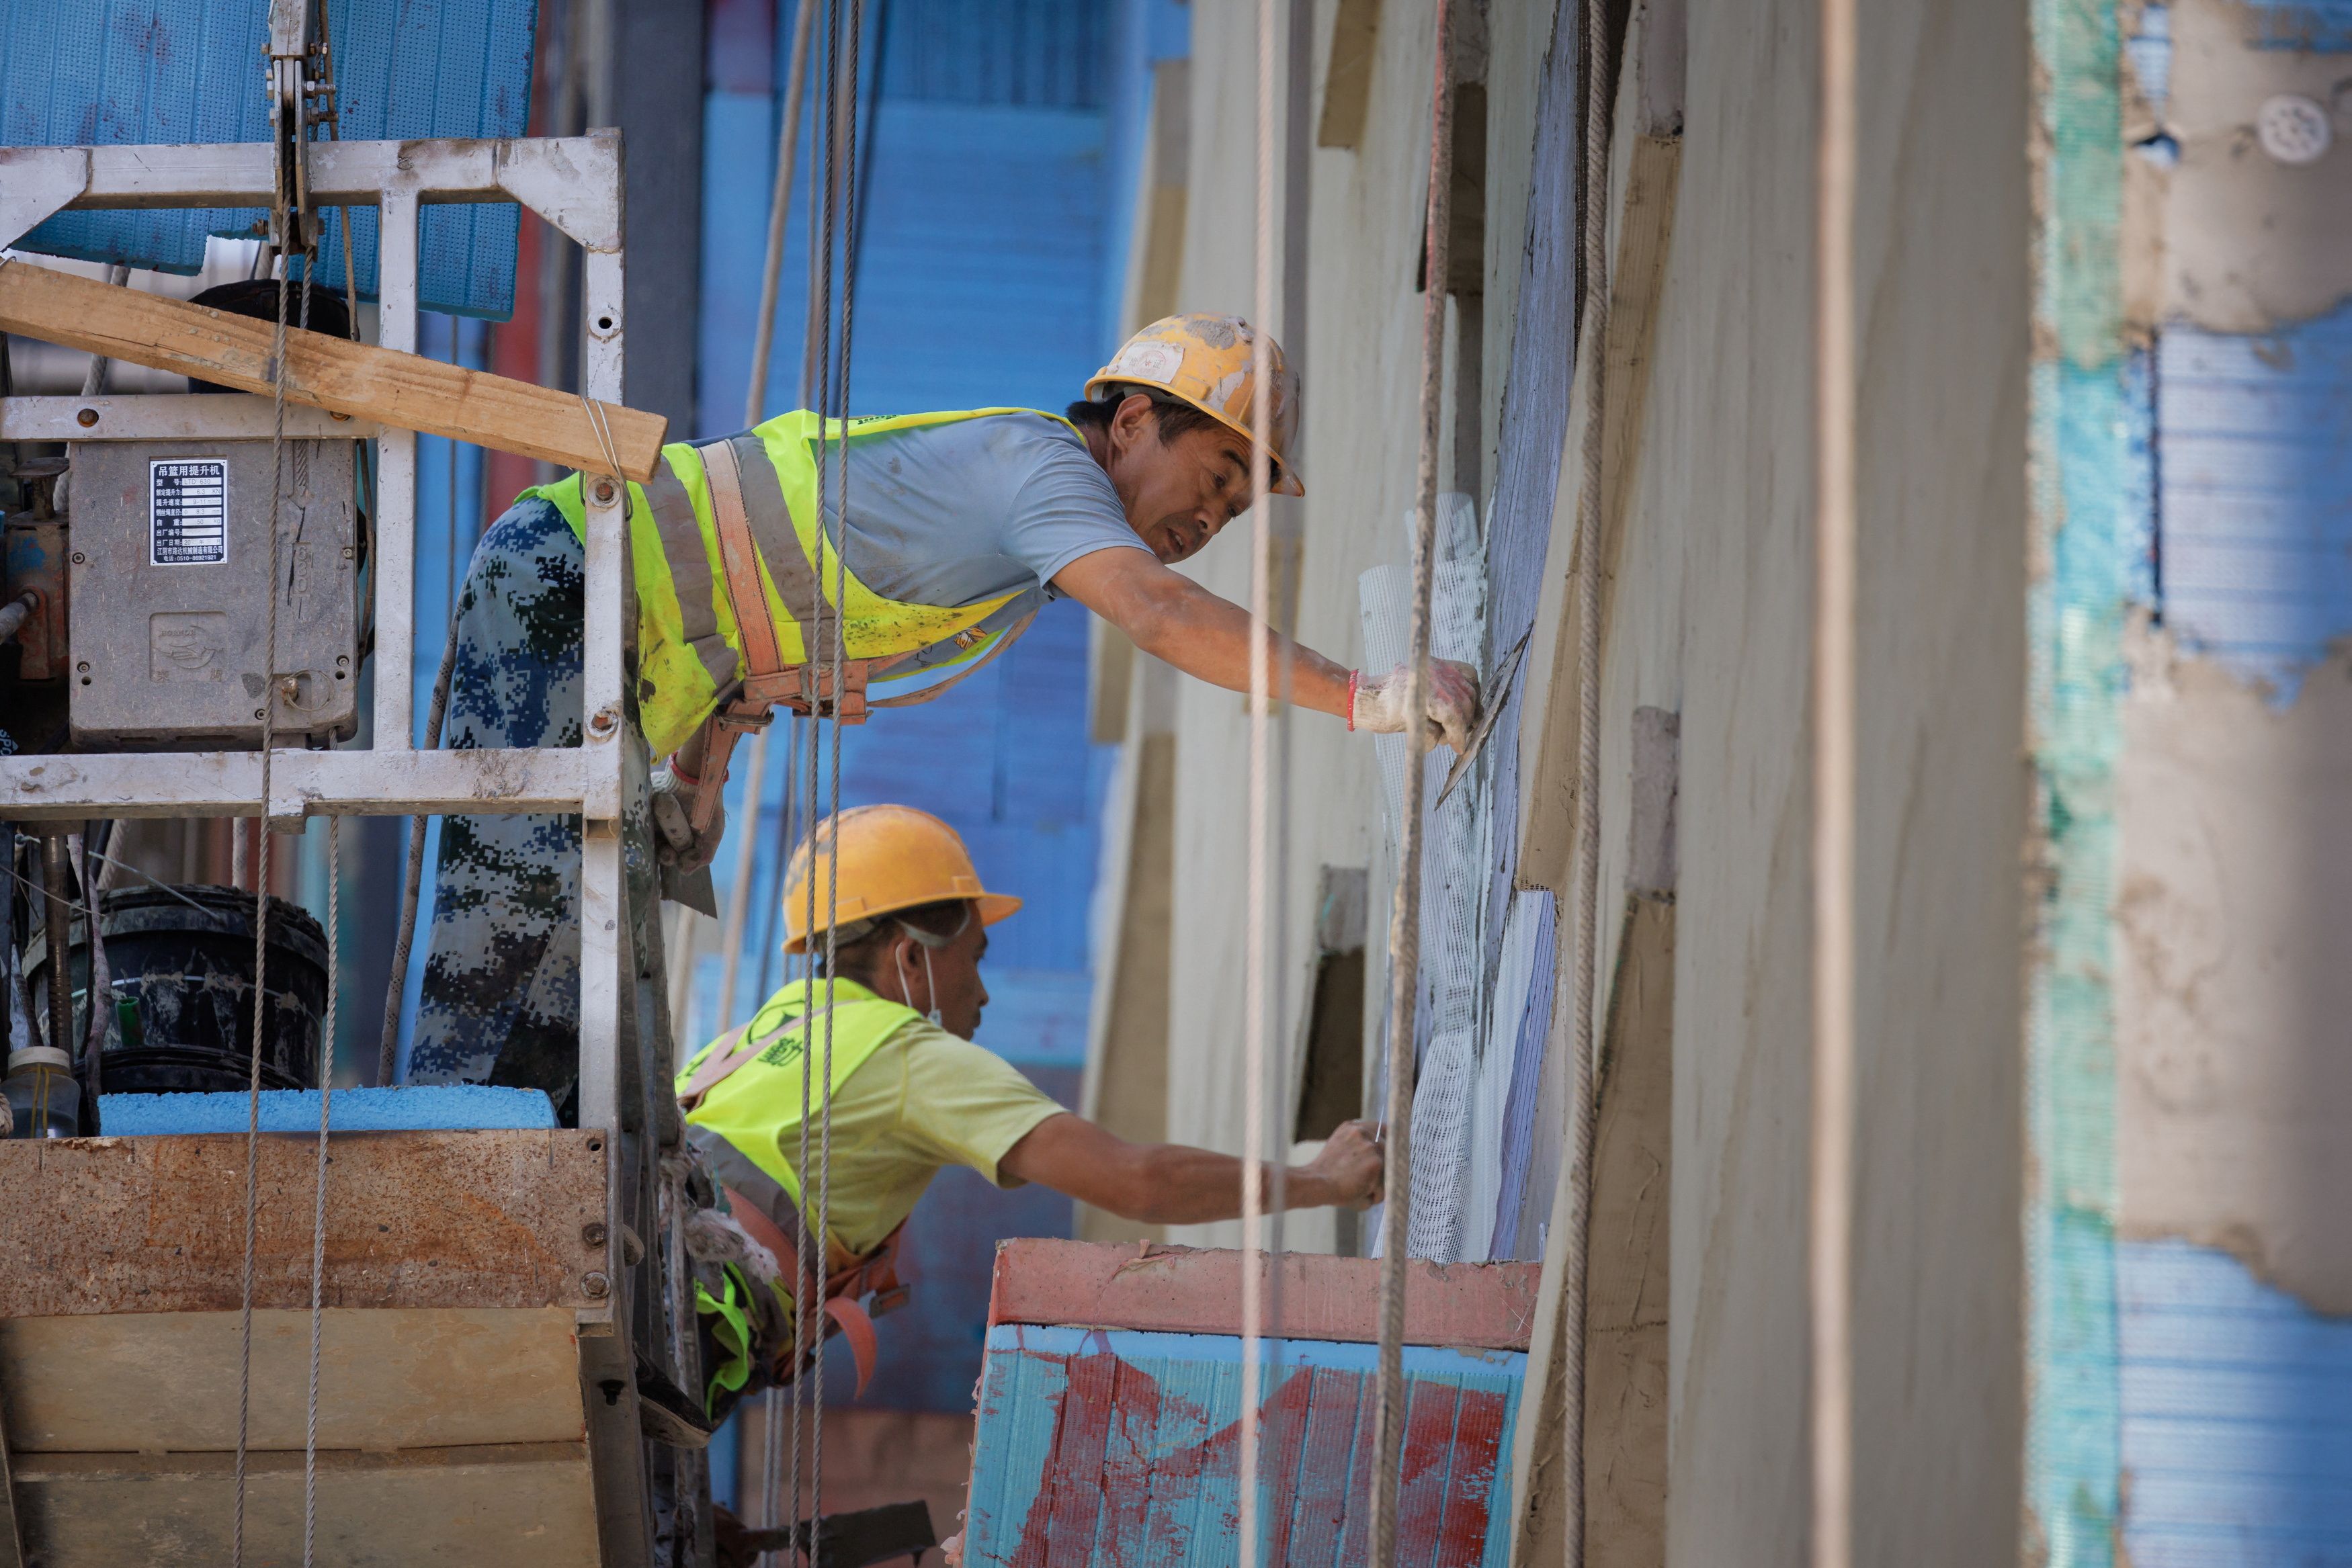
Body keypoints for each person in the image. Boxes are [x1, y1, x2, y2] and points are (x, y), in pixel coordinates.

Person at [407, 314, 1479, 1109]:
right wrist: (1362, 692)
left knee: (585, 955)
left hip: (610, 634)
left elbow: (754, 629)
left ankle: (512, 1163)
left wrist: (699, 779)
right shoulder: (1043, 469)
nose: (1212, 516)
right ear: (1137, 420)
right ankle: (447, 1171)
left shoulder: (1010, 562)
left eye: (1237, 505)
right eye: (1216, 472)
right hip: (563, 576)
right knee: (510, 917)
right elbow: (1158, 613)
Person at [672, 803, 1386, 1418]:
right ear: (909, 960)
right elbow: (1134, 1182)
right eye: (973, 957)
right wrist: (1323, 1180)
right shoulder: (906, 1055)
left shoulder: (747, 1040)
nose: (981, 994)